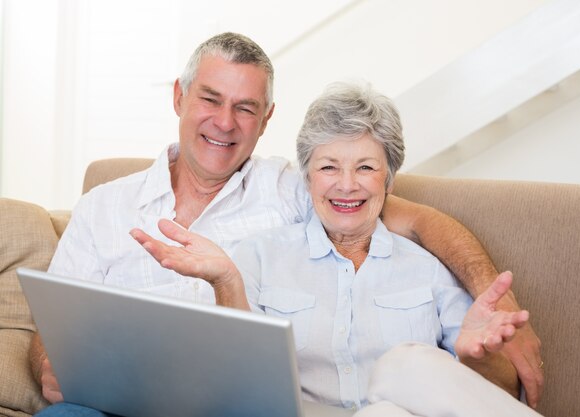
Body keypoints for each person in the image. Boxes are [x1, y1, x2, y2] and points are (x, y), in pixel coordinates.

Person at [30, 32, 542, 416]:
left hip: (238, 406)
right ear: (179, 98)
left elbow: (418, 222)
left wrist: (497, 310)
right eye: (210, 99)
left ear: (267, 118)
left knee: (399, 383)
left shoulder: (287, 190)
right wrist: (48, 368)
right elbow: (49, 324)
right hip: (118, 403)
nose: (225, 122)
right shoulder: (104, 206)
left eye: (245, 108)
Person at [131, 82, 541, 416]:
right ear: (307, 180)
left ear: (389, 181)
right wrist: (225, 282)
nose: (347, 184)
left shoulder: (426, 268)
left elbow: (497, 392)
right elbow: (234, 380)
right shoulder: (259, 258)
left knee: (398, 388)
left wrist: (478, 358)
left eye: (365, 167)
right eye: (329, 167)